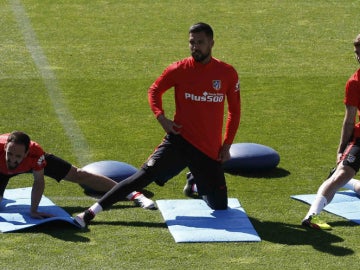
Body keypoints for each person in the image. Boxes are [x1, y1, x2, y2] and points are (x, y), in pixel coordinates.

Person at [74, 22, 241, 228]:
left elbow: (235, 111)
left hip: (208, 150)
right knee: (140, 178)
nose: (195, 47)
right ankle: (89, 213)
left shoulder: (227, 73)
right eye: (192, 42)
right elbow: (154, 91)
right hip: (179, 141)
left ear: (211, 43)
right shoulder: (178, 69)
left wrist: (226, 145)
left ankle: (194, 183)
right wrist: (162, 118)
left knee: (219, 206)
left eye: (200, 42)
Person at [0, 131, 155, 219]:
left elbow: (38, 181)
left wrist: (33, 210)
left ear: (27, 152)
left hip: (32, 164)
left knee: (79, 175)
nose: (12, 159)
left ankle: (132, 193)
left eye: (18, 156)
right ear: (5, 146)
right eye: (10, 154)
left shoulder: (36, 153)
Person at [301, 34, 360, 230]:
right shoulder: (354, 83)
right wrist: (341, 149)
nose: (359, 58)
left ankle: (350, 184)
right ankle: (312, 215)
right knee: (340, 174)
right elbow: (349, 120)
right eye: (357, 54)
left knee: (345, 179)